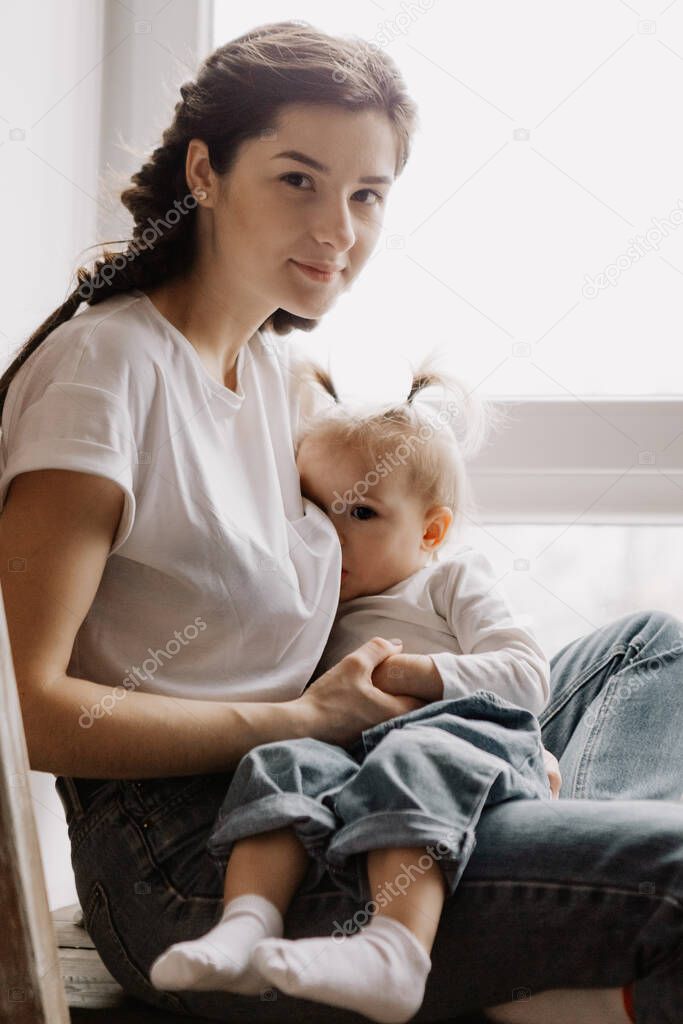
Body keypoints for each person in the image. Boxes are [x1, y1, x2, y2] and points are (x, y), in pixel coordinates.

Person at [0, 19, 681, 1024]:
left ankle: (529, 865)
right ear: (206, 170)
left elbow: (393, 545)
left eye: (366, 195)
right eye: (297, 180)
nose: (337, 230)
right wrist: (298, 720)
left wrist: (430, 688)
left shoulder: (280, 379)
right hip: (205, 855)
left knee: (642, 649)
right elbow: (33, 708)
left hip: (358, 770)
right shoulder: (106, 371)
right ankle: (551, 930)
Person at [147, 363, 557, 1023]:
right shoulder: (313, 602)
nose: (330, 534)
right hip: (354, 764)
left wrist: (418, 673)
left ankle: (394, 952)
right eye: (313, 509)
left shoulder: (446, 582)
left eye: (362, 512)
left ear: (429, 532)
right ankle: (245, 926)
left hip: (460, 749)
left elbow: (526, 673)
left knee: (412, 757)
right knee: (278, 761)